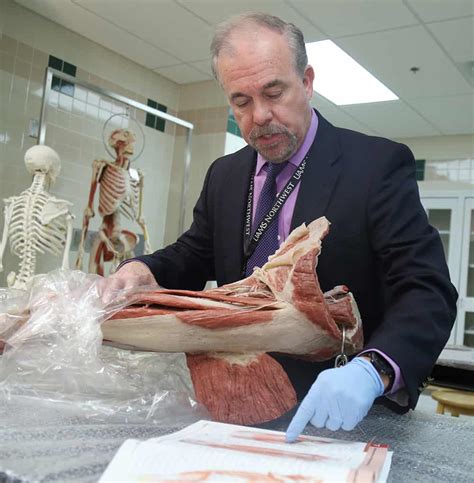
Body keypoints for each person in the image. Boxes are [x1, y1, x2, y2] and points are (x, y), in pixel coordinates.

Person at [104, 13, 458, 440]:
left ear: (306, 82)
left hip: (342, 414)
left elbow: (426, 289)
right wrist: (142, 270)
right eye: (241, 101)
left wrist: (374, 368)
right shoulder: (225, 174)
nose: (260, 116)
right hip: (236, 400)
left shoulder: (375, 166)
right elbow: (195, 252)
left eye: (274, 92)